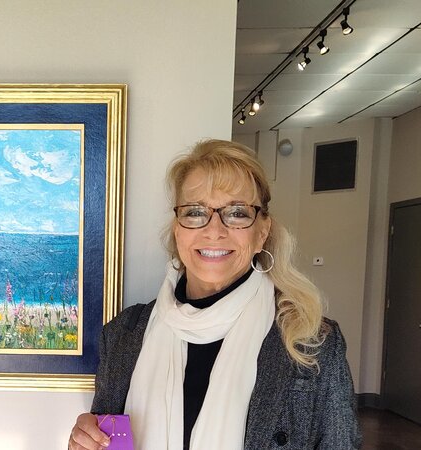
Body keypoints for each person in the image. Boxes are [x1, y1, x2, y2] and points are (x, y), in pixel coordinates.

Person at [69, 140, 361, 449]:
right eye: (196, 212)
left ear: (262, 232)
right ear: (178, 230)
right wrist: (85, 439)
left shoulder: (311, 341)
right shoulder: (123, 334)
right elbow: (104, 438)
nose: (214, 230)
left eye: (237, 213)